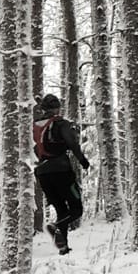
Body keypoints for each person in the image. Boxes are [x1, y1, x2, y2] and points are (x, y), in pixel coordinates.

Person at [32, 93, 90, 254]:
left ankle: (63, 248)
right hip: (61, 171)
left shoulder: (35, 126)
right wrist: (83, 161)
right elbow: (72, 144)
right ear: (56, 108)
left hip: (42, 174)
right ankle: (56, 227)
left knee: (61, 210)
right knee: (76, 209)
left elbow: (33, 149)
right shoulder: (61, 124)